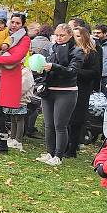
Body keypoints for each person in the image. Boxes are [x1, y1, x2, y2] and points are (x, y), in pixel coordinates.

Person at [0, 12, 31, 154]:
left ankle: (2, 143)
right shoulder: (4, 34)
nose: (14, 25)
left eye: (18, 23)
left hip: (10, 76)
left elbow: (16, 57)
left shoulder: (24, 39)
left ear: (22, 25)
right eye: (13, 22)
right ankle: (0, 141)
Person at [34, 23, 83, 165]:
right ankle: (49, 153)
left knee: (59, 125)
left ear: (69, 35)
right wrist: (41, 70)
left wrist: (53, 67)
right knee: (48, 124)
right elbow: (48, 68)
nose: (59, 38)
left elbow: (72, 71)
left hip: (66, 92)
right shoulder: (52, 47)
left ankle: (58, 156)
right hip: (49, 91)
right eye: (57, 35)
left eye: (62, 35)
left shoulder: (77, 50)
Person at [66, 27, 102, 158]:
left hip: (83, 88)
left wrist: (75, 71)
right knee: (67, 118)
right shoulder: (70, 50)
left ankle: (73, 147)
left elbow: (95, 72)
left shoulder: (92, 53)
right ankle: (65, 144)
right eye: (74, 35)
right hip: (69, 86)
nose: (76, 38)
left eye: (79, 36)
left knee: (76, 119)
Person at [6, 65, 36, 152]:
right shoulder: (16, 70)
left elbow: (23, 87)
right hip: (12, 98)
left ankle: (18, 140)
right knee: (12, 118)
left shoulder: (26, 72)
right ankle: (12, 137)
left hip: (21, 99)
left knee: (19, 119)